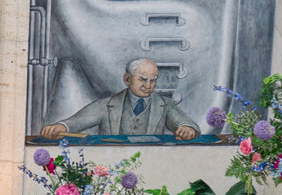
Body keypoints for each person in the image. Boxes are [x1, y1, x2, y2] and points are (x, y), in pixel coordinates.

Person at [39, 58, 199, 140]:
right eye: (142, 79)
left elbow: (185, 123)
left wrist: (187, 129)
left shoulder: (166, 105)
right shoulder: (107, 105)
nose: (148, 85)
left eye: (153, 80)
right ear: (127, 79)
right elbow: (76, 122)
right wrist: (61, 127)